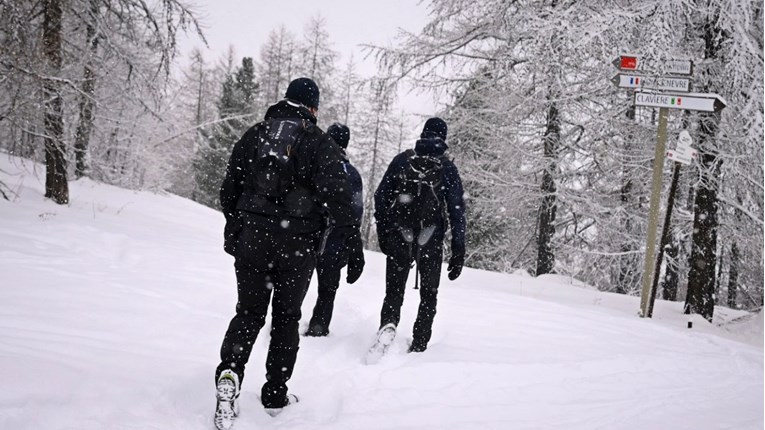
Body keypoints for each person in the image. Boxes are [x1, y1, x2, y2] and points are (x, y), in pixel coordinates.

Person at [213, 77, 365, 429]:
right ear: (312, 107)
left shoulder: (257, 134)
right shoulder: (318, 142)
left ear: (285, 100)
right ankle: (275, 393)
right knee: (286, 318)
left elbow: (229, 189)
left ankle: (230, 374)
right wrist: (343, 239)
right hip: (296, 246)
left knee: (249, 313)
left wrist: (238, 228)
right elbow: (341, 202)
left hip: (253, 239)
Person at [372, 117, 465, 354]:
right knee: (429, 293)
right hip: (430, 236)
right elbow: (456, 210)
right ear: (443, 138)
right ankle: (420, 341)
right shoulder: (447, 168)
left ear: (423, 133)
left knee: (394, 290)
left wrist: (384, 230)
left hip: (400, 233)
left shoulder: (403, 160)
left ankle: (388, 324)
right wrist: (458, 248)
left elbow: (381, 197)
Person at [304, 123, 364, 337]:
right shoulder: (352, 174)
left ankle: (285, 324)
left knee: (296, 285)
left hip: (307, 237)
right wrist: (353, 244)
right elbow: (356, 212)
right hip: (335, 242)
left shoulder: (312, 163)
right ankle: (318, 328)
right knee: (327, 291)